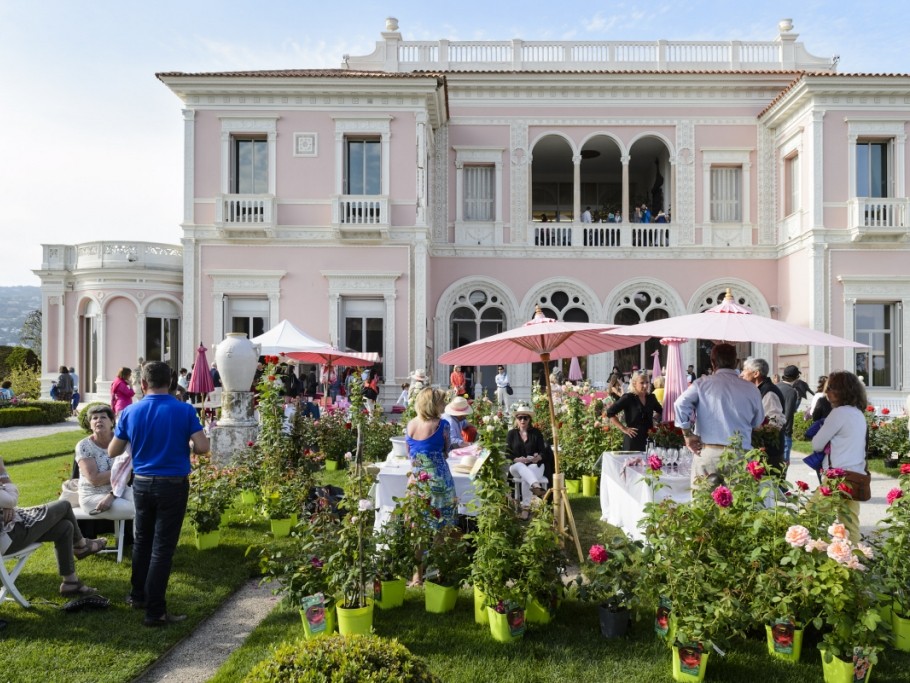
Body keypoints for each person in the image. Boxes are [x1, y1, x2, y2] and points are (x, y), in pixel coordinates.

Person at [109, 360, 209, 627]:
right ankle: (155, 611)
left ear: (143, 384)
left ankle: (138, 595)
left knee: (142, 541)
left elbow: (113, 451)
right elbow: (202, 447)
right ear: (172, 383)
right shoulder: (184, 410)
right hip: (173, 484)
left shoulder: (131, 412)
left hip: (142, 483)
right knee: (162, 548)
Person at [1, 456, 107, 598]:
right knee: (63, 505)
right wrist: (3, 472)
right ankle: (82, 545)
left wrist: (8, 505)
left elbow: (7, 500)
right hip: (9, 538)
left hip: (11, 529)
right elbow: (11, 499)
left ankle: (70, 582)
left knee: (65, 527)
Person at [674, 343, 764, 484]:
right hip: (739, 454)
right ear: (736, 362)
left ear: (713, 362)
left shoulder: (702, 384)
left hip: (709, 452)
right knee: (739, 504)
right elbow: (757, 422)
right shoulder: (752, 389)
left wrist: (687, 435)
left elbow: (680, 404)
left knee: (702, 503)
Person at [405, 388, 457, 584]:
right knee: (441, 528)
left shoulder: (410, 425)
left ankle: (417, 575)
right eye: (442, 402)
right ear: (434, 404)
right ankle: (438, 572)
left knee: (418, 528)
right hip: (440, 482)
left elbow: (410, 453)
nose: (444, 406)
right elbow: (446, 451)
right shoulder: (442, 425)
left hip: (417, 482)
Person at [811, 371, 869, 541]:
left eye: (831, 388)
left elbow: (817, 444)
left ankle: (805, 557)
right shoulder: (858, 413)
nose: (827, 392)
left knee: (809, 516)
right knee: (850, 524)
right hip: (856, 476)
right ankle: (855, 561)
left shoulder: (838, 413)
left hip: (837, 478)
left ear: (843, 391)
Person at [76, 404, 135, 516]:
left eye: (103, 417)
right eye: (94, 418)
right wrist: (120, 471)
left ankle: (138, 534)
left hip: (119, 490)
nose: (99, 420)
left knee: (145, 503)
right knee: (133, 509)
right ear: (90, 425)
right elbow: (94, 479)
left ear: (112, 422)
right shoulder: (83, 446)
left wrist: (112, 495)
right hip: (92, 495)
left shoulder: (122, 442)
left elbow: (126, 475)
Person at [740, 358, 786, 473]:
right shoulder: (758, 390)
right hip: (762, 450)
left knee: (769, 487)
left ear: (756, 373)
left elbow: (775, 423)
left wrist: (757, 434)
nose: (741, 374)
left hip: (769, 454)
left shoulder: (769, 392)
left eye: (745, 370)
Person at [505, 404, 549, 520]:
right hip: (516, 467)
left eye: (525, 418)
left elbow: (544, 453)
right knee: (520, 465)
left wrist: (537, 457)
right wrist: (516, 459)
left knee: (526, 476)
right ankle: (536, 486)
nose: (523, 420)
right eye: (520, 418)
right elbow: (507, 453)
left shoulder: (536, 433)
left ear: (530, 419)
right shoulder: (511, 434)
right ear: (516, 420)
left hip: (535, 466)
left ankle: (525, 508)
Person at [607, 372, 663, 452]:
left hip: (649, 439)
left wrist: (654, 419)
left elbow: (660, 411)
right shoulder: (628, 398)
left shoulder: (651, 398)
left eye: (647, 382)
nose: (645, 385)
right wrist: (623, 428)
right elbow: (610, 412)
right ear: (634, 383)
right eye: (642, 383)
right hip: (632, 440)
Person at [777, 366, 801, 470]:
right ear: (796, 377)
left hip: (772, 428)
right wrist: (788, 431)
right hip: (784, 431)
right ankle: (781, 486)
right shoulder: (791, 391)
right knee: (784, 465)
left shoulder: (776, 386)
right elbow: (789, 413)